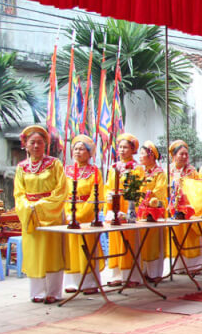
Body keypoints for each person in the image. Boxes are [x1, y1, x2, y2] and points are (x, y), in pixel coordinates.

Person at [13, 125, 69, 304]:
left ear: (46, 145)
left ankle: (54, 292)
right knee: (35, 252)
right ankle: (37, 292)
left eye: (40, 142)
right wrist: (28, 207)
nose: (36, 146)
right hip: (31, 214)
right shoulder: (21, 168)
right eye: (32, 143)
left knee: (52, 252)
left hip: (50, 214)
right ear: (26, 145)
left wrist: (43, 205)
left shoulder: (54, 164)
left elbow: (61, 190)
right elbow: (18, 193)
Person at [63, 135, 104, 294]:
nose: (78, 152)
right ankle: (72, 281)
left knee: (87, 249)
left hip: (86, 215)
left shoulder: (95, 172)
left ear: (89, 153)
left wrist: (83, 213)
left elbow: (97, 194)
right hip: (68, 214)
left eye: (81, 149)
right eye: (75, 149)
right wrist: (68, 212)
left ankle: (89, 282)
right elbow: (61, 192)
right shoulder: (66, 171)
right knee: (71, 249)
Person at [105, 133, 144, 286]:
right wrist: (109, 196)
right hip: (115, 205)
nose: (122, 150)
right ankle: (116, 274)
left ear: (132, 150)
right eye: (120, 147)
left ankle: (132, 276)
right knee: (115, 239)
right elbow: (108, 186)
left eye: (125, 147)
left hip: (128, 205)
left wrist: (130, 204)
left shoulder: (137, 168)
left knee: (131, 239)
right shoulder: (113, 167)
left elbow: (139, 187)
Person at [168, 140, 202, 272]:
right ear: (174, 155)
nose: (184, 157)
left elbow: (197, 188)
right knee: (177, 235)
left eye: (186, 154)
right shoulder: (168, 170)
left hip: (189, 207)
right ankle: (178, 266)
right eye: (181, 154)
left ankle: (193, 265)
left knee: (190, 236)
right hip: (174, 207)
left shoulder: (191, 170)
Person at [138, 141, 168, 282]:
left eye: (143, 153)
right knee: (142, 241)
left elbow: (160, 191)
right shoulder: (140, 172)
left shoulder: (159, 173)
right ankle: (143, 271)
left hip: (153, 211)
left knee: (154, 242)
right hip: (141, 209)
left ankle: (155, 273)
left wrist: (148, 199)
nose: (140, 156)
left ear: (151, 156)